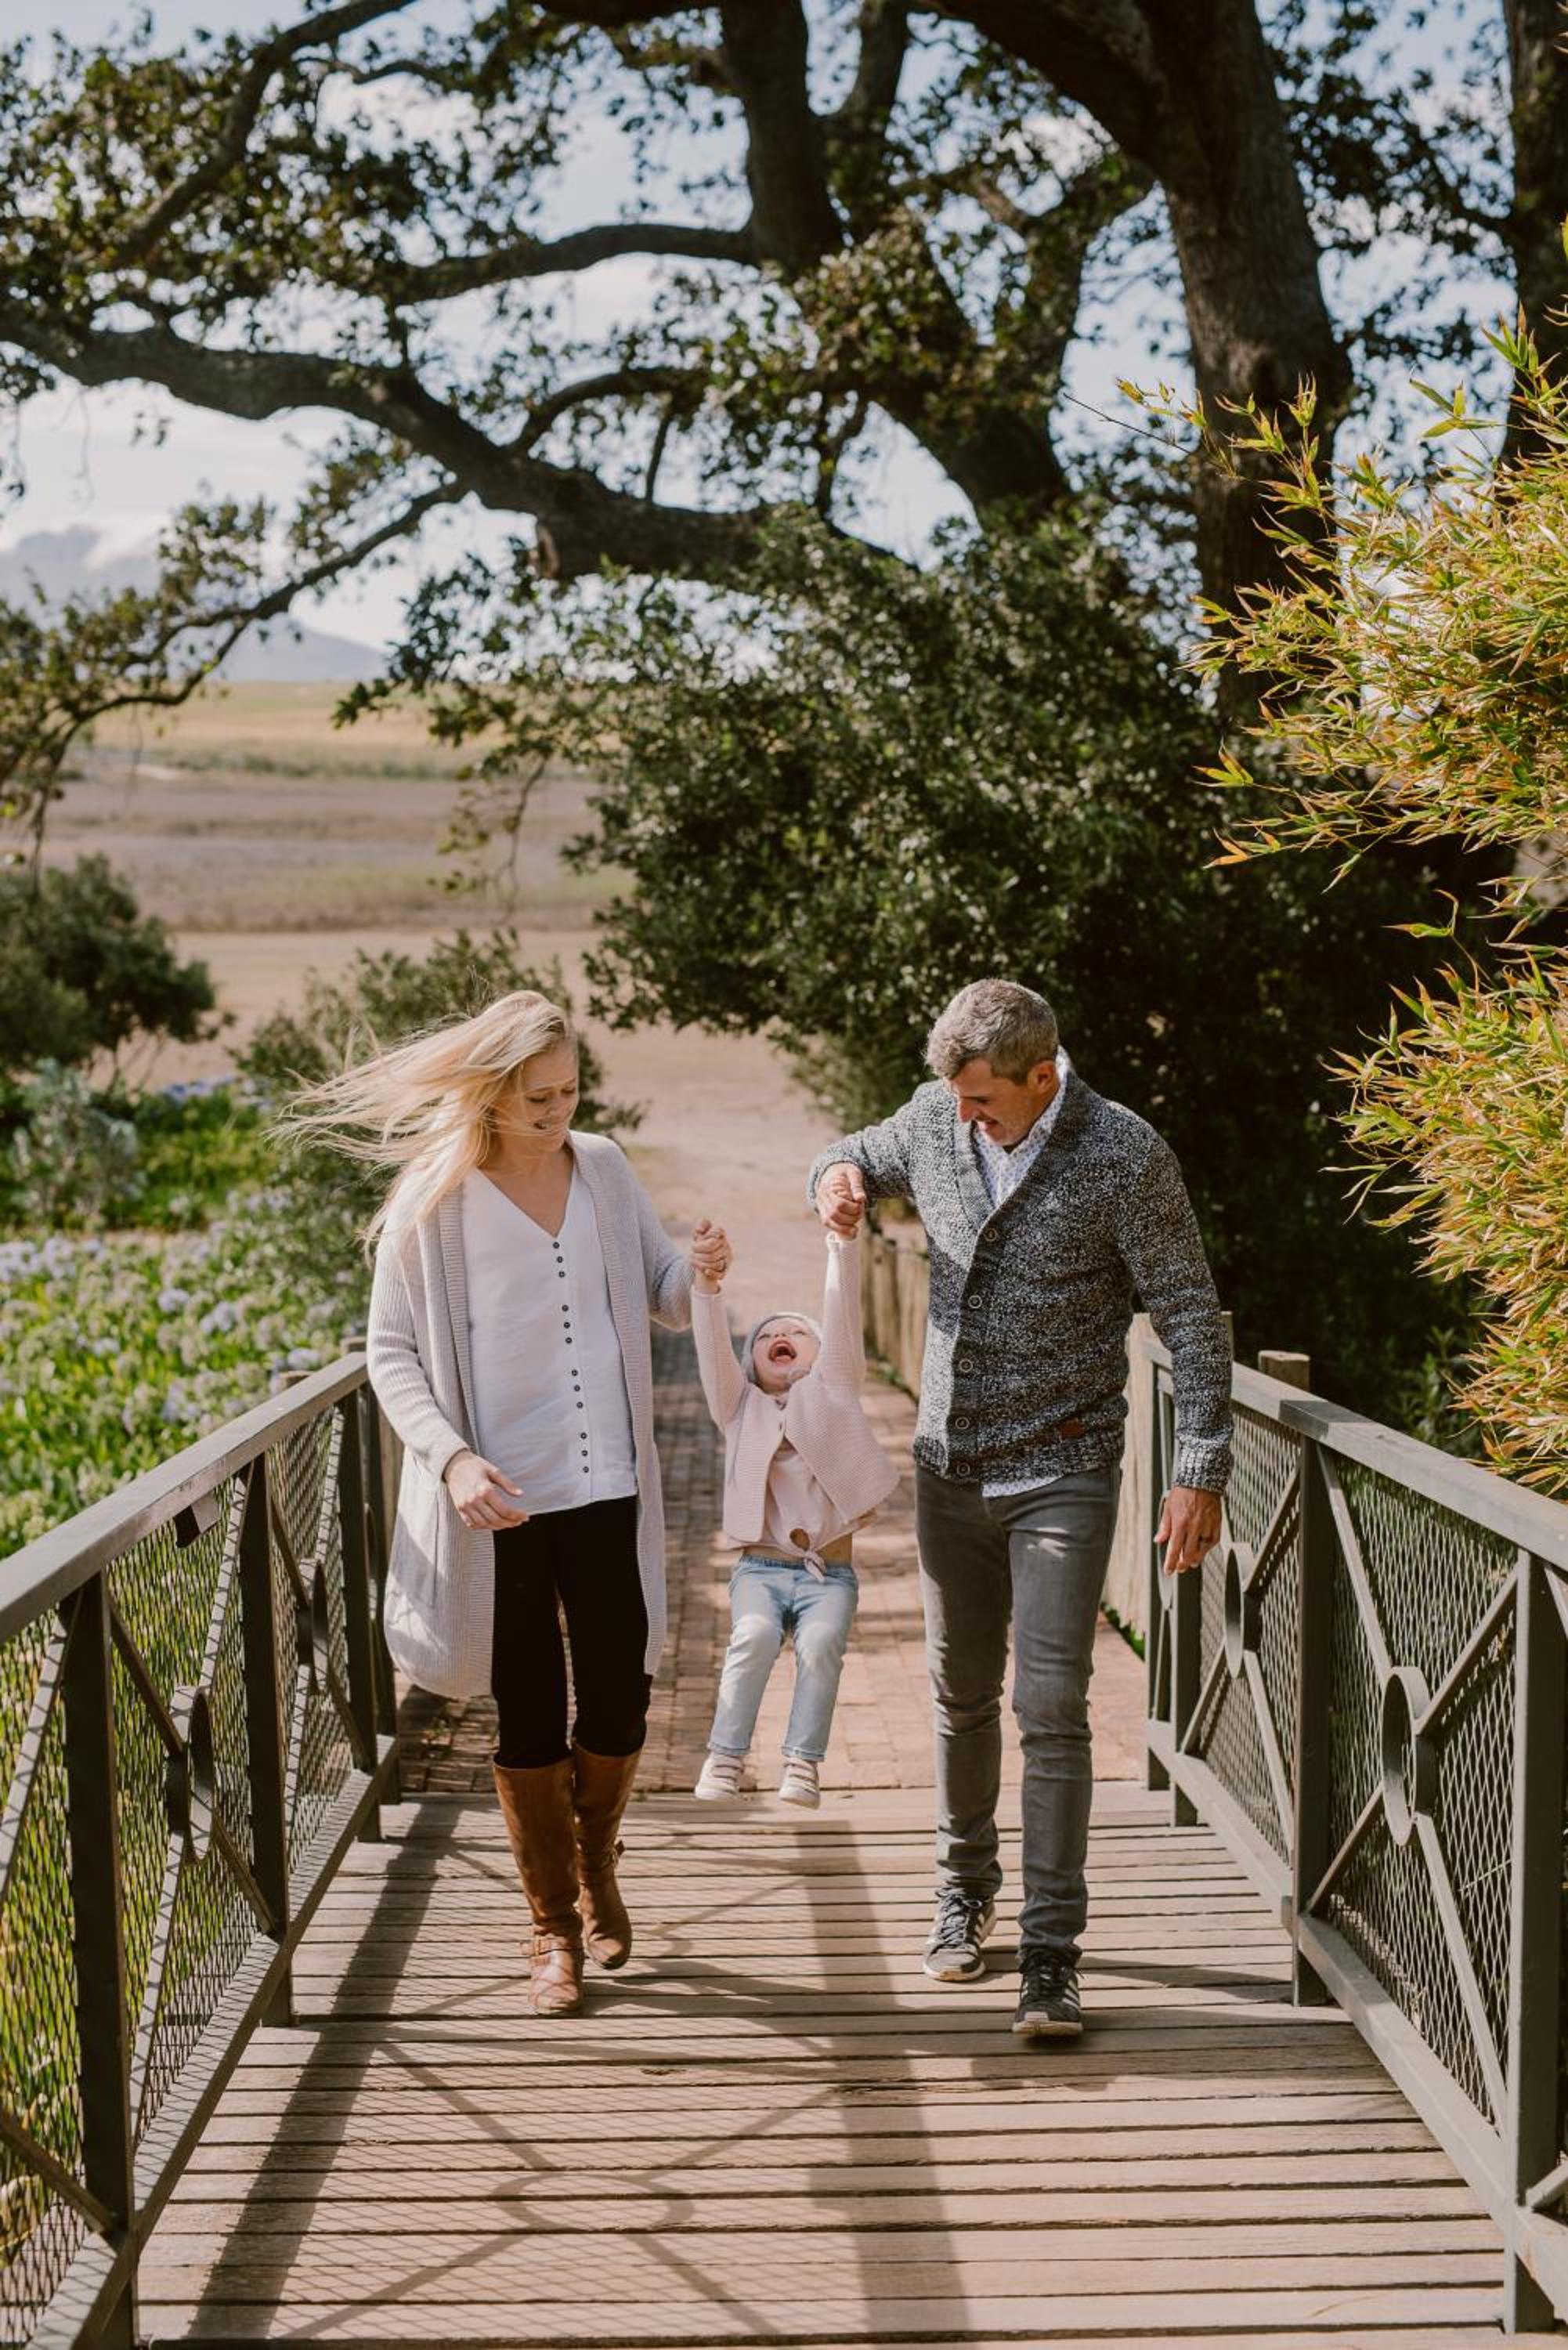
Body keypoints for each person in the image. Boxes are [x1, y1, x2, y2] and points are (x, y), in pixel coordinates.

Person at [807, 978, 1231, 2040]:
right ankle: (962, 1892)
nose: (961, 1117)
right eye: (953, 1098)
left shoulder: (1124, 1155)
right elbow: (849, 1151)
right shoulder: (936, 1115)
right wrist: (837, 1182)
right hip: (948, 1469)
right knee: (958, 1697)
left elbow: (1189, 1310)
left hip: (1063, 1470)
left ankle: (1050, 1955)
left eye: (982, 1101)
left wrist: (1200, 1465)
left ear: (1043, 1076)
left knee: (1050, 1708)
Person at [293, 989, 729, 2018]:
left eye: (569, 1091)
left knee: (620, 1695)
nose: (556, 1111)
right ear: (490, 1092)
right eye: (536, 1096)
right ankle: (554, 1927)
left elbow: (662, 1291)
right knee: (529, 1709)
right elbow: (389, 1354)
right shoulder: (433, 1201)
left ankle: (596, 1860)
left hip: (607, 1480)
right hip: (504, 1500)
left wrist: (701, 1271)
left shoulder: (605, 1169)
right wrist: (450, 1460)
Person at [687, 1209, 899, 1808]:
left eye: (795, 1332)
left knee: (822, 1644)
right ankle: (725, 1756)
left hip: (829, 1574)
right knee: (753, 1636)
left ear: (822, 1354)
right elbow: (711, 1349)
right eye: (763, 1337)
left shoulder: (834, 1389)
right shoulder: (739, 1408)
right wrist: (706, 1285)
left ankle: (802, 1763)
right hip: (759, 1571)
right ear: (751, 1365)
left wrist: (843, 1242)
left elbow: (842, 1313)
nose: (777, 1335)